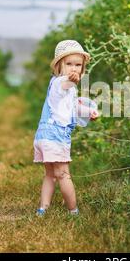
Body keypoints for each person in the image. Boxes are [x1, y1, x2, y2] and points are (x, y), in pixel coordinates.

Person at [33, 40, 99, 216]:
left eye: (78, 65)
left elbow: (72, 107)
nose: (74, 68)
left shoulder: (64, 87)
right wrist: (71, 81)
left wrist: (89, 111)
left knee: (50, 175)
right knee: (63, 175)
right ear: (59, 66)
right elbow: (66, 84)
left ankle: (43, 208)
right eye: (69, 64)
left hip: (44, 135)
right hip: (55, 136)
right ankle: (73, 211)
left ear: (83, 67)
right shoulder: (60, 82)